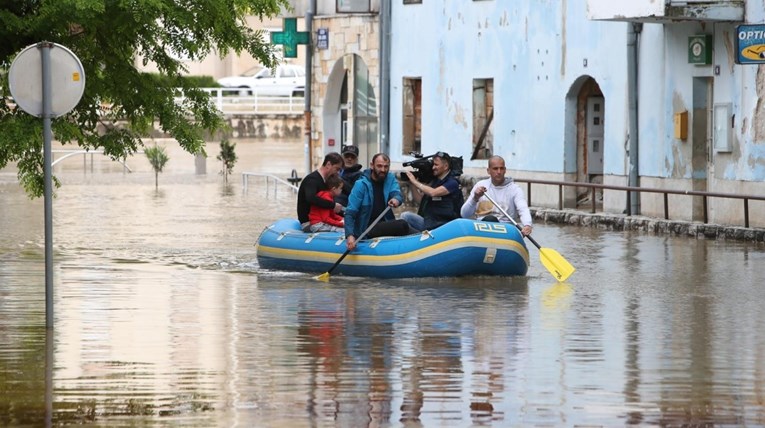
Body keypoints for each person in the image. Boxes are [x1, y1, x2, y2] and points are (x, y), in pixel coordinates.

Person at [345, 153, 412, 251]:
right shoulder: (360, 185)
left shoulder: (390, 178)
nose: (383, 170)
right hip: (367, 228)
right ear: (372, 165)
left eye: (386, 166)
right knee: (402, 224)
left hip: (384, 223)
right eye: (379, 166)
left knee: (406, 224)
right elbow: (350, 212)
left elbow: (397, 194)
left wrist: (396, 199)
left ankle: (424, 240)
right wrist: (350, 235)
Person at [461, 155, 533, 236]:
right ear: (488, 171)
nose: (499, 172)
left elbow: (523, 208)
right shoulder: (480, 185)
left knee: (491, 219)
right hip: (480, 229)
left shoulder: (515, 189)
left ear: (505, 170)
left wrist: (527, 225)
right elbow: (464, 214)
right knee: (490, 219)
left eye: (501, 168)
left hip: (505, 230)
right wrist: (475, 198)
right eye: (495, 169)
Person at [401, 151, 464, 231]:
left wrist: (415, 182)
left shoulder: (452, 183)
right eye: (433, 164)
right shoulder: (435, 181)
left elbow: (433, 192)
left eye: (436, 165)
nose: (433, 167)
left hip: (445, 226)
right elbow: (421, 201)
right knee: (406, 217)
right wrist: (412, 185)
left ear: (445, 166)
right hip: (430, 223)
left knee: (405, 216)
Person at [297, 152, 344, 232]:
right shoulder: (312, 180)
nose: (338, 172)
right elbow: (311, 198)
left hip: (322, 220)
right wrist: (333, 205)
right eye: (337, 169)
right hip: (310, 223)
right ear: (328, 164)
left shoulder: (327, 180)